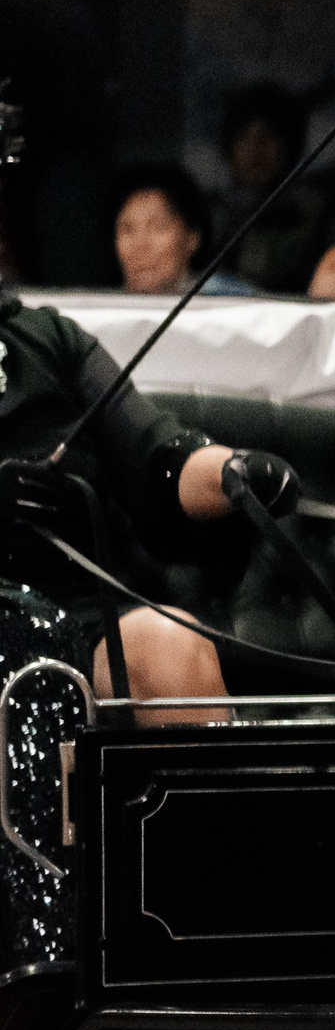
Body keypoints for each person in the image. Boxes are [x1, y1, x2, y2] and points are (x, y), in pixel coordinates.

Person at [0, 287, 302, 721]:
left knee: (169, 645)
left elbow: (154, 452)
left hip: (78, 612)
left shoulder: (48, 336)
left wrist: (235, 473)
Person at [212, 82, 326, 293]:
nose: (255, 150)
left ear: (288, 146)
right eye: (244, 137)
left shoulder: (311, 212)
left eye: (268, 137)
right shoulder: (209, 212)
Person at [111, 165, 259, 298]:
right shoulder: (103, 312)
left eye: (158, 227)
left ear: (192, 237)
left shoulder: (234, 301)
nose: (140, 245)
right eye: (127, 229)